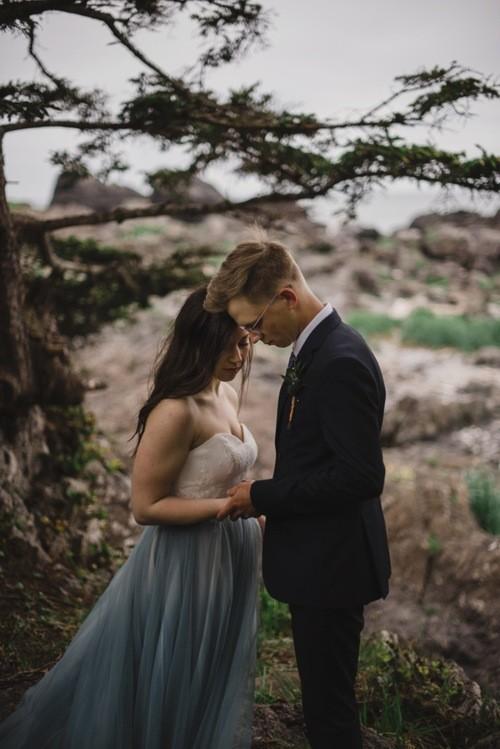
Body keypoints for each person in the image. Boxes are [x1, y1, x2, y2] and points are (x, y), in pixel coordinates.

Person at [0, 285, 262, 749]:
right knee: (176, 670)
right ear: (198, 341)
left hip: (229, 555)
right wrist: (228, 507)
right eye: (227, 345)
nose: (238, 356)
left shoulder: (225, 397)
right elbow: (145, 507)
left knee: (212, 663)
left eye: (243, 342)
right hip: (187, 559)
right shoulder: (176, 410)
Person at [204, 241, 391, 749]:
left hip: (334, 566)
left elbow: (361, 477)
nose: (256, 339)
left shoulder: (340, 360)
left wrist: (263, 496)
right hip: (320, 558)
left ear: (287, 297)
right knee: (322, 705)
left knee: (330, 716)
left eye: (257, 324)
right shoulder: (315, 348)